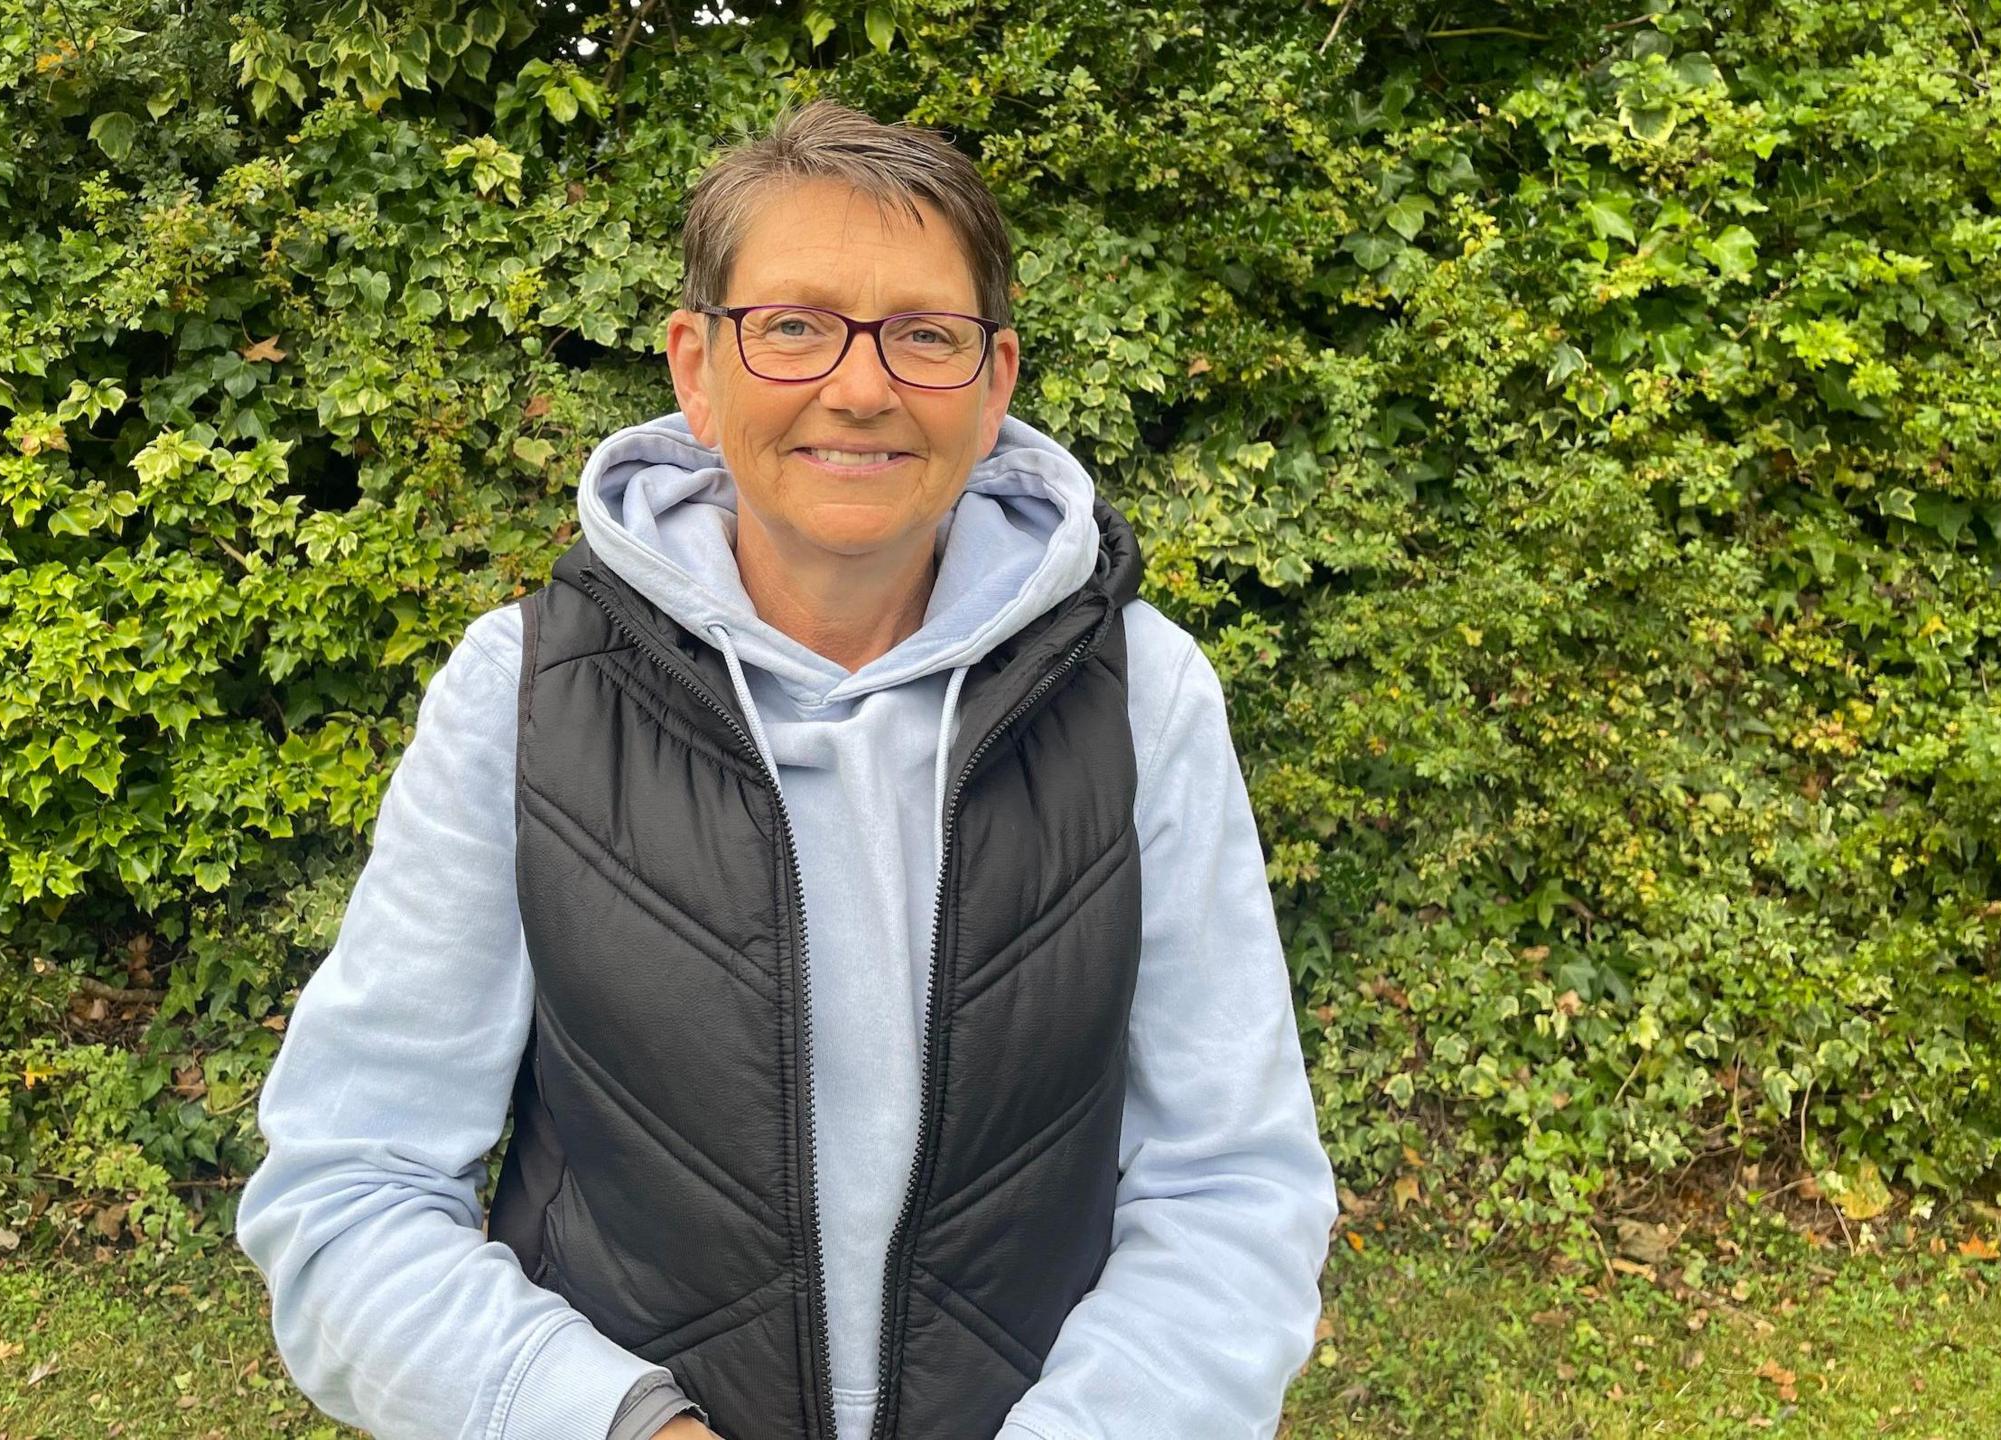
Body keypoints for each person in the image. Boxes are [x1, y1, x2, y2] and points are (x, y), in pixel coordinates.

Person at [236, 99, 1339, 1440]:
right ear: (697, 370)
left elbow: (1231, 1183)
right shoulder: (521, 696)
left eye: (925, 335)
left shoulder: (1139, 697)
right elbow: (350, 1182)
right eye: (796, 326)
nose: (861, 387)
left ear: (994, 388)